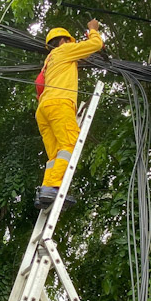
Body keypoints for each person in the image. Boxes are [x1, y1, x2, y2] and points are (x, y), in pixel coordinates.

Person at [34, 19, 104, 209]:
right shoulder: (65, 51)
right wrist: (93, 30)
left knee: (55, 155)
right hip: (60, 103)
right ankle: (54, 187)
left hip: (43, 109)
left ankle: (47, 189)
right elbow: (96, 44)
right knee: (70, 144)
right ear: (64, 40)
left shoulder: (48, 61)